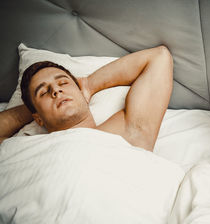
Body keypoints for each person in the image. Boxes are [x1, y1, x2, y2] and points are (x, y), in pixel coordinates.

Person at [0, 45, 173, 151]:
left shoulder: (130, 130)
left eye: (63, 83)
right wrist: (34, 108)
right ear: (37, 118)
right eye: (44, 92)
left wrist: (89, 85)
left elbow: (159, 57)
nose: (56, 91)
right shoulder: (28, 149)